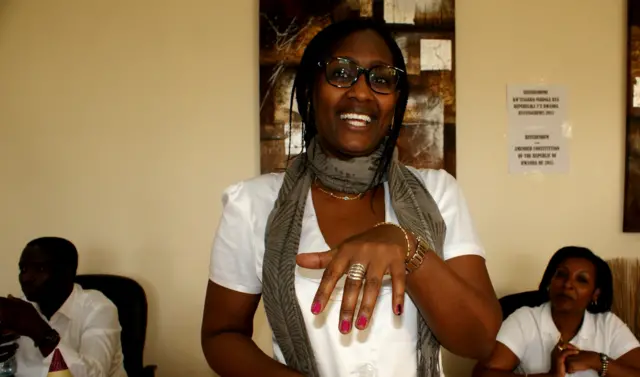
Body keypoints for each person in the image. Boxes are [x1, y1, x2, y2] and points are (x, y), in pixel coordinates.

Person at [201, 18, 501, 377]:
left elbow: (481, 341)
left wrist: (406, 246)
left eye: (381, 78)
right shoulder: (252, 203)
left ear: (395, 103)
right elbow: (222, 335)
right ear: (311, 91)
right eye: (341, 72)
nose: (361, 92)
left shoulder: (439, 194)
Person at [473, 246, 640, 377]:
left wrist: (597, 361)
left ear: (595, 294)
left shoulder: (608, 325)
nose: (568, 284)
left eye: (581, 280)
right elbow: (482, 374)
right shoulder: (525, 319)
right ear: (549, 283)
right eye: (561, 275)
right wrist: (551, 376)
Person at [0, 237, 127, 377]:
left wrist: (41, 332)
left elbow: (95, 374)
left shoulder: (98, 309)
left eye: (40, 269)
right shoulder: (20, 309)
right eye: (23, 269)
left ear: (67, 273)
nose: (26, 278)